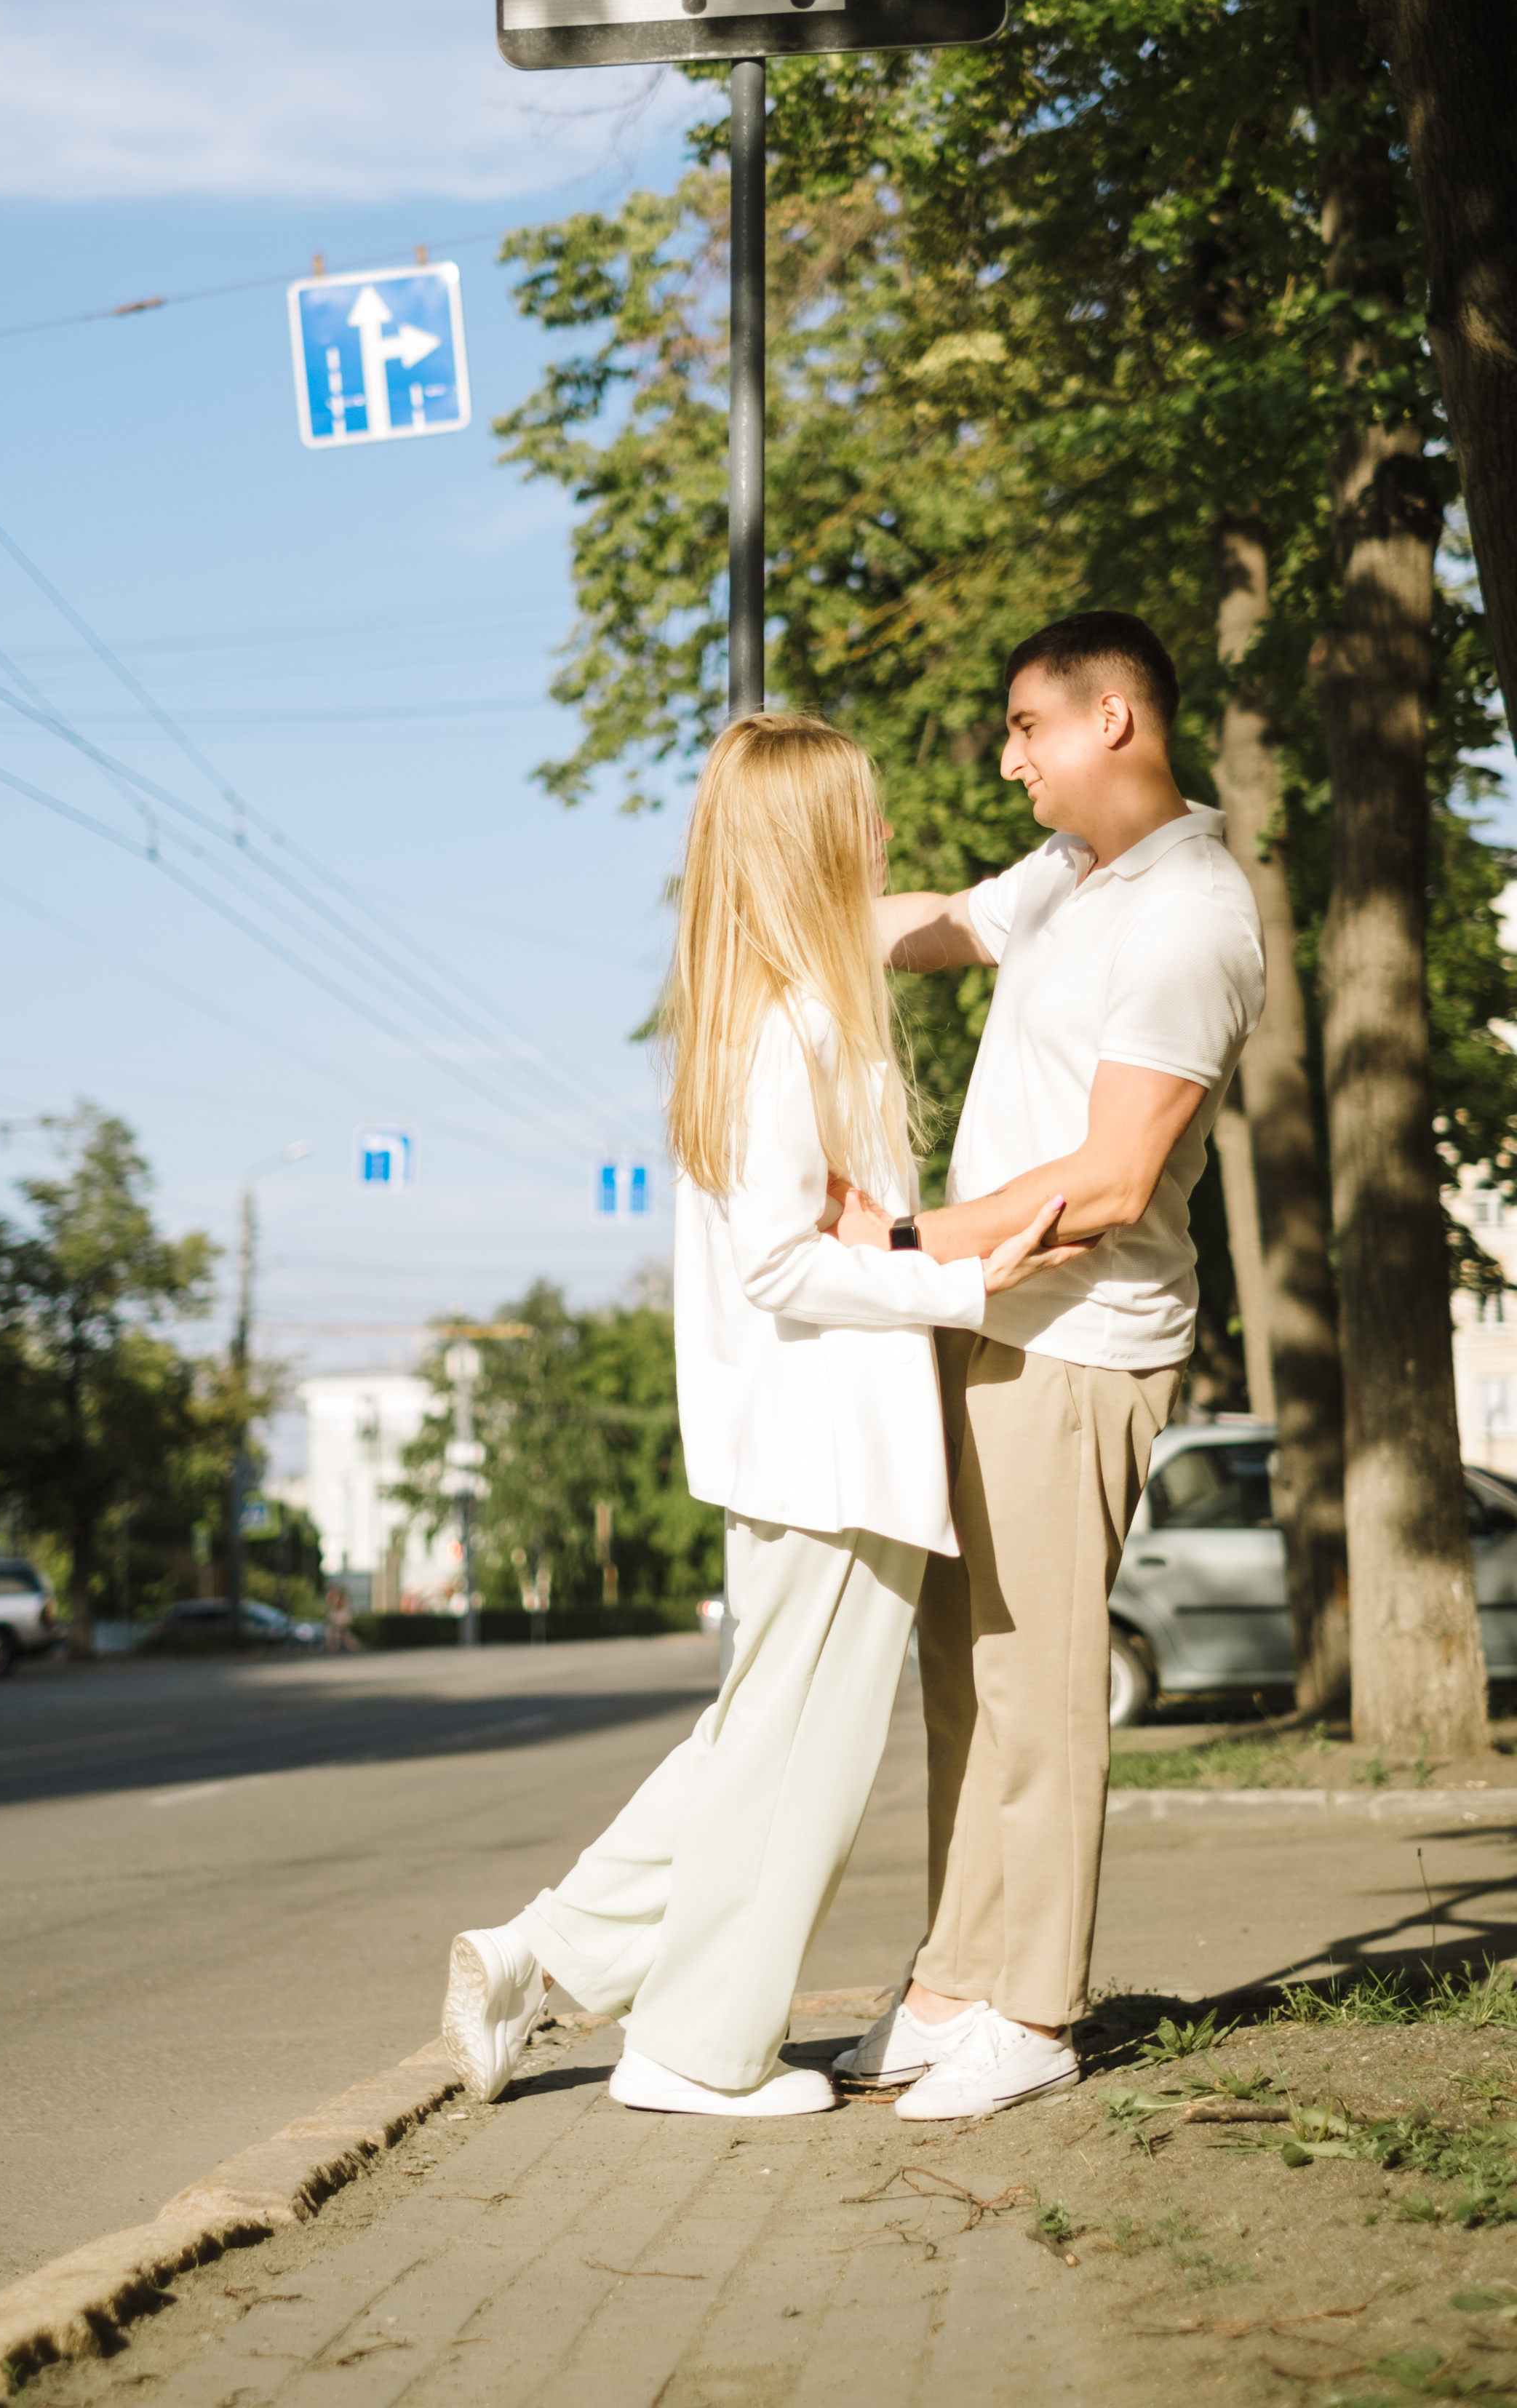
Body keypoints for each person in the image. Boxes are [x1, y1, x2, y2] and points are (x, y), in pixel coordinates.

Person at [439, 712, 1082, 2121]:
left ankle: (542, 1952)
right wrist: (969, 1281)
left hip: (808, 1445)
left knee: (754, 1743)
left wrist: (1085, 851)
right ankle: (696, 2051)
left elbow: (956, 914)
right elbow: (780, 1265)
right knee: (799, 1768)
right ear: (806, 840)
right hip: (828, 1446)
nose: (884, 836)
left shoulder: (772, 1001)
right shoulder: (790, 1023)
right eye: (860, 815)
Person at [832, 611, 1265, 2120]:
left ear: (1113, 722)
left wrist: (894, 1243)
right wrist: (774, 900)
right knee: (960, 1676)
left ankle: (1035, 2008)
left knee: (1037, 1684)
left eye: (1026, 728)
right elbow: (940, 921)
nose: (1006, 759)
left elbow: (1112, 1181)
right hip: (987, 1325)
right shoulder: (1074, 879)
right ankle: (954, 1980)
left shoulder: (1188, 913)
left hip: (1075, 1340)